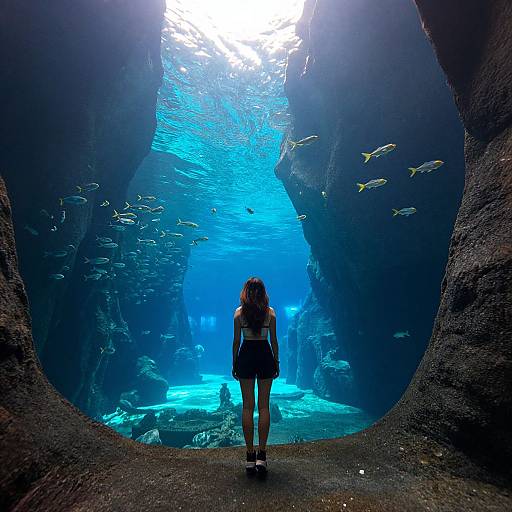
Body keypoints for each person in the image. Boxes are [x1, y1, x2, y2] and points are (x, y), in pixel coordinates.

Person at [232, 277, 279, 474]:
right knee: (264, 406)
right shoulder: (270, 313)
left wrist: (235, 363)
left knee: (247, 407)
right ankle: (262, 455)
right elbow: (274, 341)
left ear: (245, 292)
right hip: (264, 354)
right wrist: (276, 361)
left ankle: (249, 455)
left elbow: (236, 341)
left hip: (247, 354)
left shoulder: (238, 313)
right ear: (263, 292)